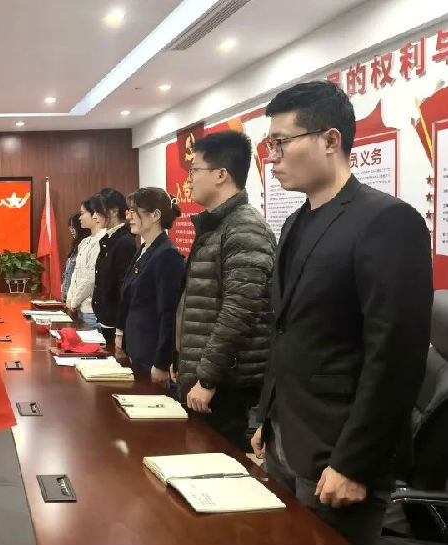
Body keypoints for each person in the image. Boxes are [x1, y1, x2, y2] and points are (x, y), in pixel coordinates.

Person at [251, 81, 432, 545]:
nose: (272, 157)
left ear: (330, 140)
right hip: (286, 437)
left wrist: (354, 463)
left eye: (281, 142)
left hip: (337, 451)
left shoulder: (387, 221)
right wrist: (265, 418)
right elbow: (285, 330)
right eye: (270, 145)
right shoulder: (295, 222)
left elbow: (395, 358)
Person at [173, 130, 276, 452]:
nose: (189, 179)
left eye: (195, 170)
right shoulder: (217, 225)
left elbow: (240, 310)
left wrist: (207, 378)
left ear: (220, 175)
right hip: (207, 377)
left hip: (226, 385)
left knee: (219, 464)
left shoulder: (244, 227)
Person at [117, 188, 185, 383]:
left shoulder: (167, 255)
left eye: (135, 211)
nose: (129, 217)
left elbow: (169, 314)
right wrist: (121, 335)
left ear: (155, 215)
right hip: (137, 350)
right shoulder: (144, 249)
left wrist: (162, 363)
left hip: (152, 357)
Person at [90, 188, 137, 347]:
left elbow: (123, 289)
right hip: (105, 318)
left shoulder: (124, 242)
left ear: (114, 211)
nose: (95, 216)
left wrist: (120, 330)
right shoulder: (109, 238)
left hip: (115, 324)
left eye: (98, 211)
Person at [66, 199, 104, 329]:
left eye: (83, 213)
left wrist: (74, 301)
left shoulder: (103, 241)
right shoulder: (84, 242)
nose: (80, 218)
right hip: (78, 307)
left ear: (95, 215)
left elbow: (90, 278)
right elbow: (75, 274)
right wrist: (70, 298)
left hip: (91, 310)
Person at [61, 212, 90, 304]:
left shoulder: (88, 245)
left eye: (73, 226)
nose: (71, 230)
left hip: (78, 301)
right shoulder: (76, 246)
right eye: (70, 227)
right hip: (68, 298)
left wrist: (74, 300)